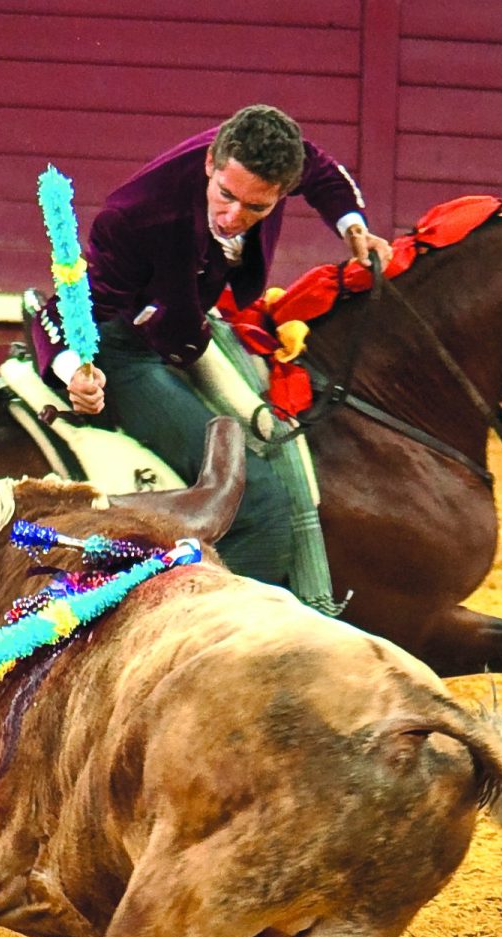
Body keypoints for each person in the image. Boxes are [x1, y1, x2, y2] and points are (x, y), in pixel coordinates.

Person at [30, 104, 392, 586]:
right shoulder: (136, 215)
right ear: (210, 164)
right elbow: (65, 312)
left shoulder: (266, 160)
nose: (234, 216)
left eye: (257, 208)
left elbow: (321, 169)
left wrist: (352, 226)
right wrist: (74, 371)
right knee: (256, 498)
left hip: (193, 324)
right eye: (226, 196)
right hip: (127, 350)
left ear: (281, 191)